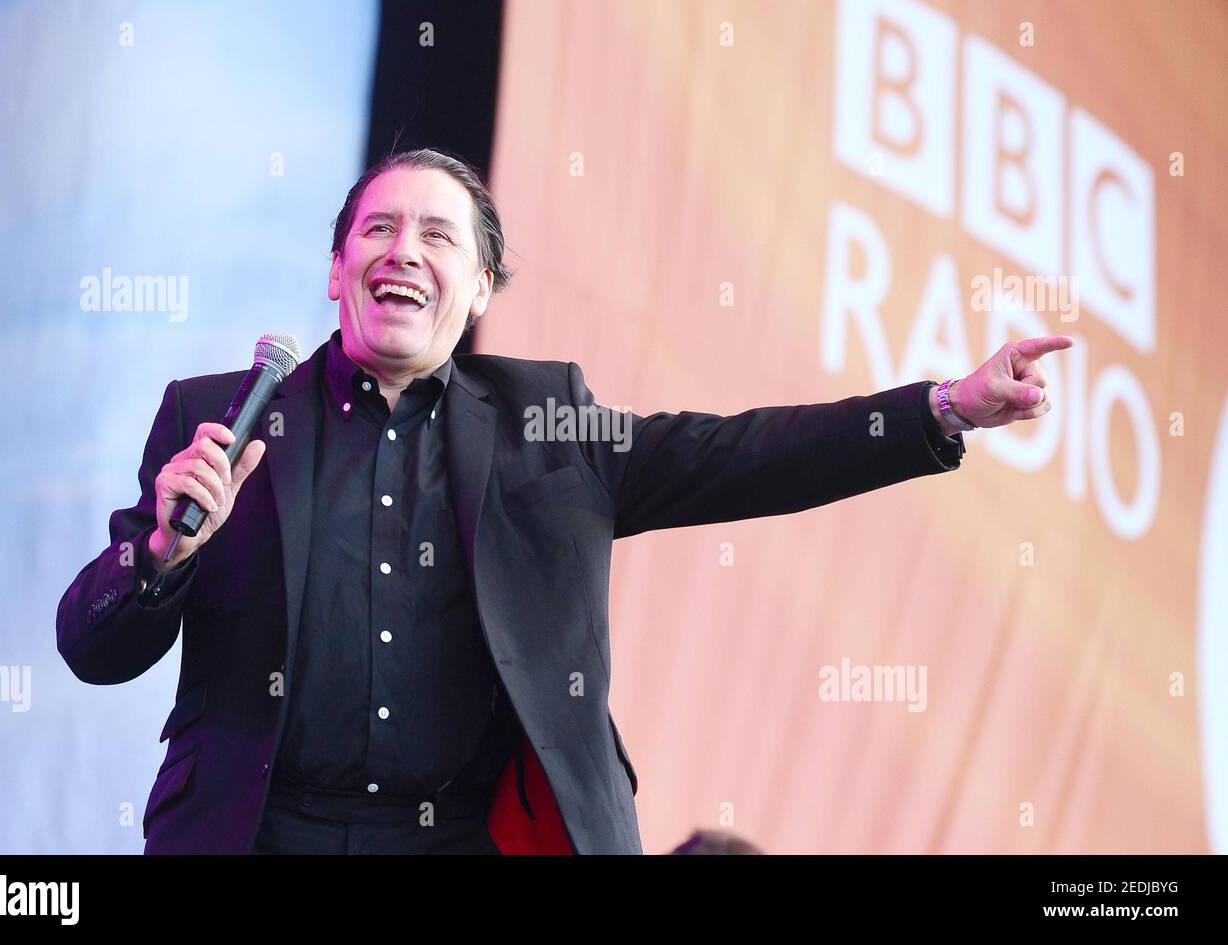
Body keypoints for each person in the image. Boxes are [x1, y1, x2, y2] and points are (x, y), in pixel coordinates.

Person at [56, 147, 1070, 854]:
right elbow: (90, 645)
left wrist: (945, 407)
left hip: (465, 838)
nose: (403, 251)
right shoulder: (222, 418)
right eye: (379, 229)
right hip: (255, 833)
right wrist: (159, 558)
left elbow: (747, 454)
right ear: (336, 269)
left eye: (438, 236)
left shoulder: (546, 425)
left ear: (481, 287)